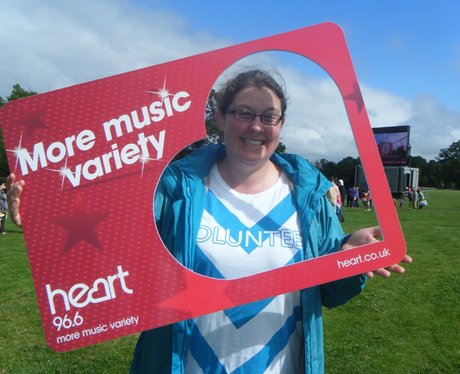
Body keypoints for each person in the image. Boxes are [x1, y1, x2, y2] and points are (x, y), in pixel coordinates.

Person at [6, 69, 411, 374]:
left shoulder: (309, 194)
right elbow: (113, 253)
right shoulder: (172, 186)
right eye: (244, 113)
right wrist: (43, 220)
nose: (256, 126)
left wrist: (348, 256)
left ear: (281, 125)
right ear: (219, 117)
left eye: (269, 117)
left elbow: (326, 293)